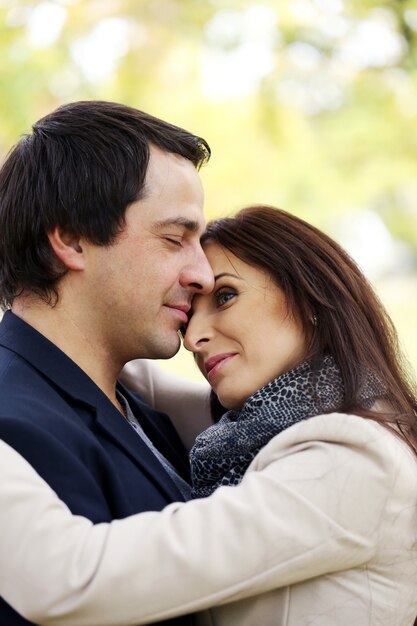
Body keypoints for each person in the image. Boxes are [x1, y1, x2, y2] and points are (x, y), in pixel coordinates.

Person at [1, 205, 417, 626]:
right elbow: (108, 359)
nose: (195, 339)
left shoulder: (354, 462)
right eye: (189, 319)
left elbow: (74, 577)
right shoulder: (266, 426)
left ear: (310, 296)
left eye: (225, 296)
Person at [0, 100, 214, 625]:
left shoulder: (131, 400)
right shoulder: (16, 427)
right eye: (174, 239)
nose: (204, 275)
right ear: (71, 239)